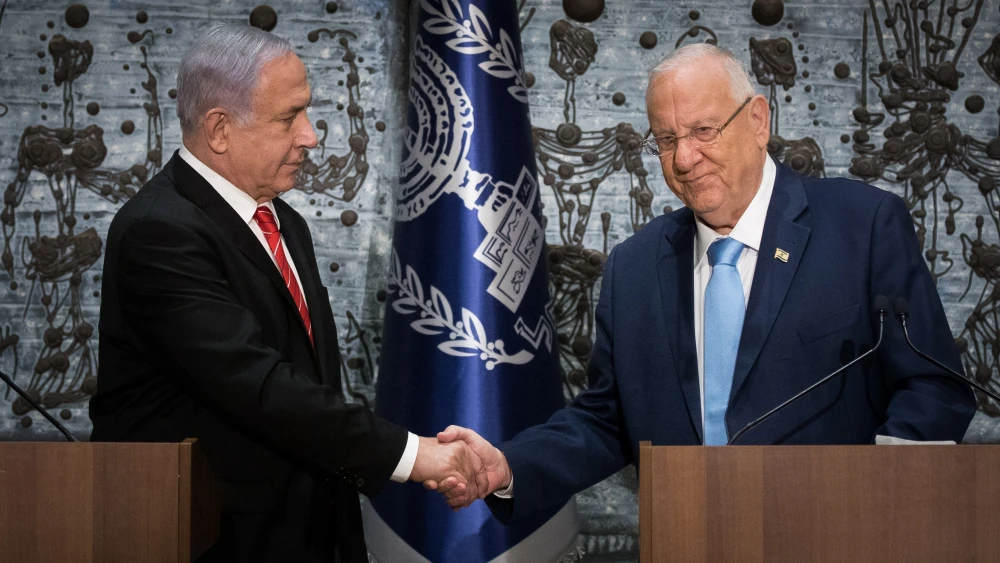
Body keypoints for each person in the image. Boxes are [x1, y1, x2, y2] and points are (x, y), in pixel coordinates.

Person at [426, 43, 977, 520]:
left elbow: (932, 384)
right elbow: (606, 420)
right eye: (665, 140)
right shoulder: (634, 267)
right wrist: (507, 465)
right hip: (688, 536)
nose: (685, 158)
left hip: (841, 532)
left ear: (759, 121)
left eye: (703, 131)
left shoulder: (863, 226)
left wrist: (887, 488)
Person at [89, 24, 482, 562]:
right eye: (287, 117)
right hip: (208, 539)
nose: (311, 135)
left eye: (307, 111)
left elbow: (307, 380)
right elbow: (258, 384)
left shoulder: (282, 220)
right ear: (220, 128)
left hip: (306, 533)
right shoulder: (159, 231)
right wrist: (415, 455)